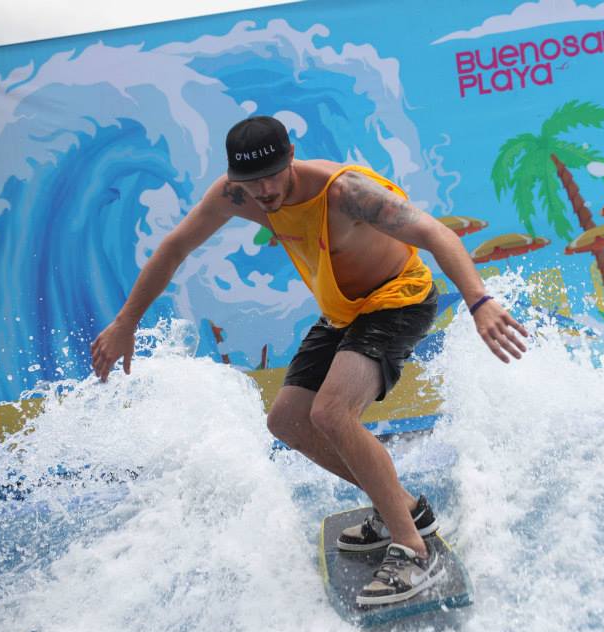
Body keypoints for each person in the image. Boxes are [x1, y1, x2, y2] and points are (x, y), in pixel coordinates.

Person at [91, 115, 528, 605]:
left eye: (272, 175)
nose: (263, 191)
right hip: (343, 312)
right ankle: (401, 509)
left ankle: (412, 549)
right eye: (250, 181)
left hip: (397, 298)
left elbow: (433, 233)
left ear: (292, 155)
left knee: (332, 413)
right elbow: (174, 249)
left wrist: (480, 303)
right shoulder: (236, 194)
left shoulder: (347, 194)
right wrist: (125, 323)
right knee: (288, 421)